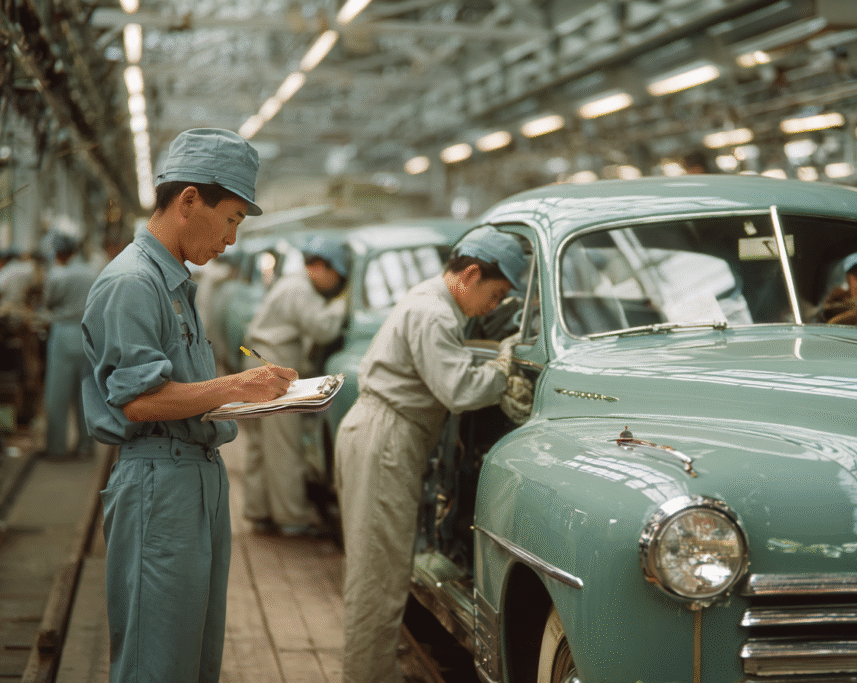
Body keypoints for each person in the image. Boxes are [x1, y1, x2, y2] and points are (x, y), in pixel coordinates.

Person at [81, 128, 297, 683]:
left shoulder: (173, 283)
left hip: (194, 479)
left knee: (192, 658)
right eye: (231, 220)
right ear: (189, 200)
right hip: (159, 486)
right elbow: (140, 402)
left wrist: (251, 391)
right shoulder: (134, 282)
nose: (231, 240)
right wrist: (238, 386)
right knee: (156, 662)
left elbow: (181, 390)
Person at [334, 226, 531, 683]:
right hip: (386, 440)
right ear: (472, 274)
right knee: (377, 578)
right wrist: (504, 371)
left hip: (384, 433)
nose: (496, 305)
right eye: (496, 294)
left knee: (380, 570)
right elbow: (459, 389)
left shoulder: (431, 301)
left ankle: (374, 671)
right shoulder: (435, 314)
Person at [243, 235, 350, 536]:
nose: (337, 284)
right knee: (284, 445)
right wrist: (343, 304)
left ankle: (259, 511)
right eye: (338, 276)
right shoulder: (300, 288)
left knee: (261, 445)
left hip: (260, 362)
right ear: (321, 266)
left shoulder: (291, 283)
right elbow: (324, 328)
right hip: (273, 367)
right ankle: (292, 519)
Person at [39, 233, 97, 459]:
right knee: (85, 394)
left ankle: (57, 448)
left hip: (63, 334)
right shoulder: (91, 272)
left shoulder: (57, 274)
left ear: (60, 254)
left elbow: (48, 303)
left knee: (58, 395)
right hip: (87, 334)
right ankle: (85, 446)